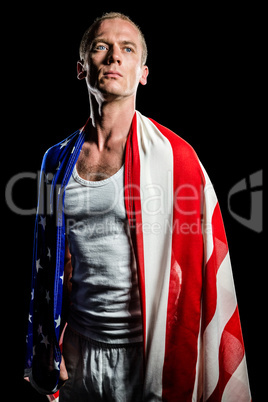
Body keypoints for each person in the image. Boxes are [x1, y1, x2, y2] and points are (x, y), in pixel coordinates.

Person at [25, 12, 251, 401]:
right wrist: (45, 343)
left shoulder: (176, 158)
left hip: (147, 358)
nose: (114, 56)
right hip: (79, 352)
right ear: (81, 69)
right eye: (101, 47)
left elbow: (203, 268)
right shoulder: (55, 161)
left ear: (143, 72)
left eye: (127, 49)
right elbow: (46, 263)